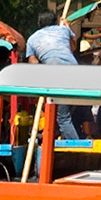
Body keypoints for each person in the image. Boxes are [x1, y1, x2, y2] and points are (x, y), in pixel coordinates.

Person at [24, 10, 81, 140]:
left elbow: (33, 63)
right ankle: (57, 136)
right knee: (64, 112)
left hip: (56, 76)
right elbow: (73, 47)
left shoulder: (32, 39)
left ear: (39, 23)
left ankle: (77, 146)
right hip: (75, 73)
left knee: (63, 117)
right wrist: (67, 25)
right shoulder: (63, 31)